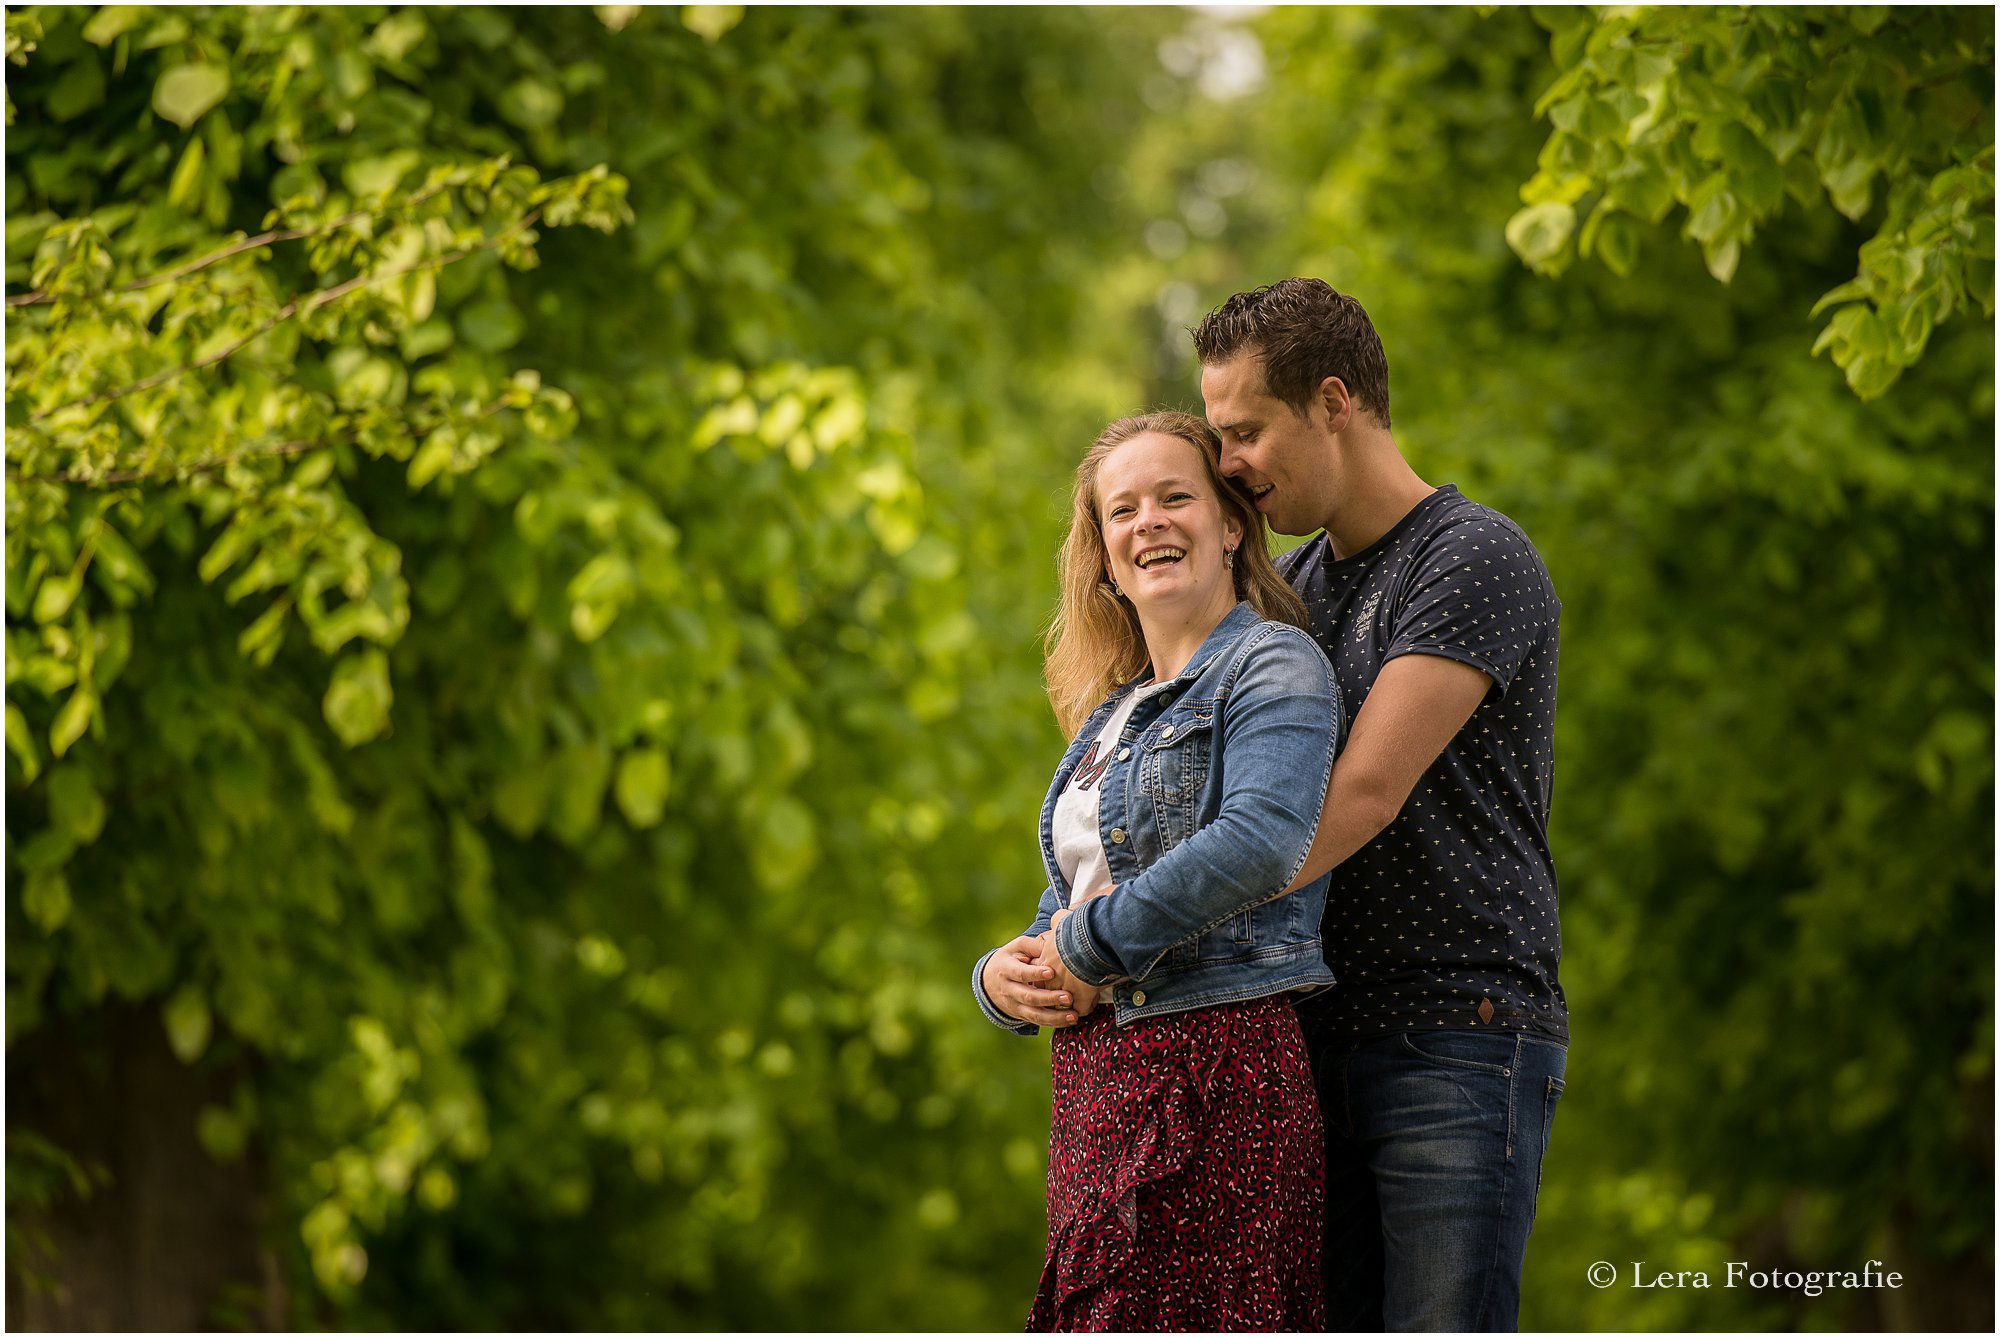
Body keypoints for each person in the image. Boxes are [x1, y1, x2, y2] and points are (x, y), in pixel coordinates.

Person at [1187, 278, 1570, 1331]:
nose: (1227, 466)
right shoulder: (1286, 590)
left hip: (1455, 1033)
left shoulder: (1473, 555)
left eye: (1244, 431)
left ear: (1332, 401)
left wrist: (1154, 932)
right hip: (1307, 1035)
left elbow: (1361, 793)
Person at [970, 410, 1342, 1331]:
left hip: (1219, 1073)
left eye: (1176, 497)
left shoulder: (1274, 662)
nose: (1151, 523)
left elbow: (1261, 840)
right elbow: (1078, 895)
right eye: (1123, 511)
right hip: (1099, 1085)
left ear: (1230, 526)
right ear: (1102, 556)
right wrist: (1005, 975)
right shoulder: (1110, 715)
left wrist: (1085, 951)